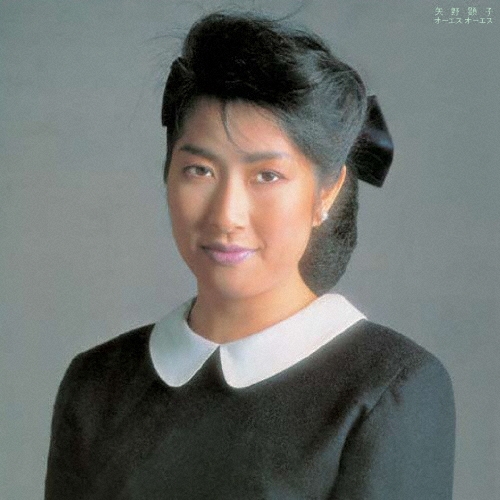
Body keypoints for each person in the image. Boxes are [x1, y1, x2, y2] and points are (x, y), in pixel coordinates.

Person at [45, 12, 455, 500]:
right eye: (199, 170)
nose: (227, 215)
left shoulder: (389, 389)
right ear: (167, 173)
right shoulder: (95, 383)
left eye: (267, 176)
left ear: (326, 192)